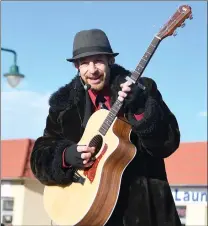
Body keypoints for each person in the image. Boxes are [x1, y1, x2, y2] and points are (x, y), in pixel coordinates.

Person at [30, 29, 181, 226]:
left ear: (110, 60)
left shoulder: (143, 90)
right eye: (84, 62)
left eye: (98, 60)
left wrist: (140, 107)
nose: (92, 70)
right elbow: (40, 157)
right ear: (76, 66)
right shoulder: (62, 106)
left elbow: (168, 143)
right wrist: (66, 156)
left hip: (144, 213)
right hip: (85, 210)